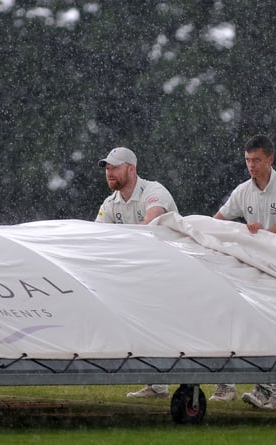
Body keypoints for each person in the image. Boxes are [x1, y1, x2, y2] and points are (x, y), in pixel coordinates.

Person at [211, 133, 276, 408]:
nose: (251, 165)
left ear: (270, 160)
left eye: (257, 160)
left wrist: (259, 235)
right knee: (259, 324)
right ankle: (272, 393)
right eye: (248, 160)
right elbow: (217, 221)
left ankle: (274, 392)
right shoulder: (242, 191)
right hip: (258, 268)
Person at [95, 146, 179, 399]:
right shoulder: (111, 203)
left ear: (131, 169)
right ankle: (157, 385)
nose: (109, 173)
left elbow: (150, 227)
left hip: (175, 270)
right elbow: (95, 237)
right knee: (148, 326)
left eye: (115, 167)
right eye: (107, 168)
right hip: (144, 274)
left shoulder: (153, 191)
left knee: (187, 326)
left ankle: (225, 383)